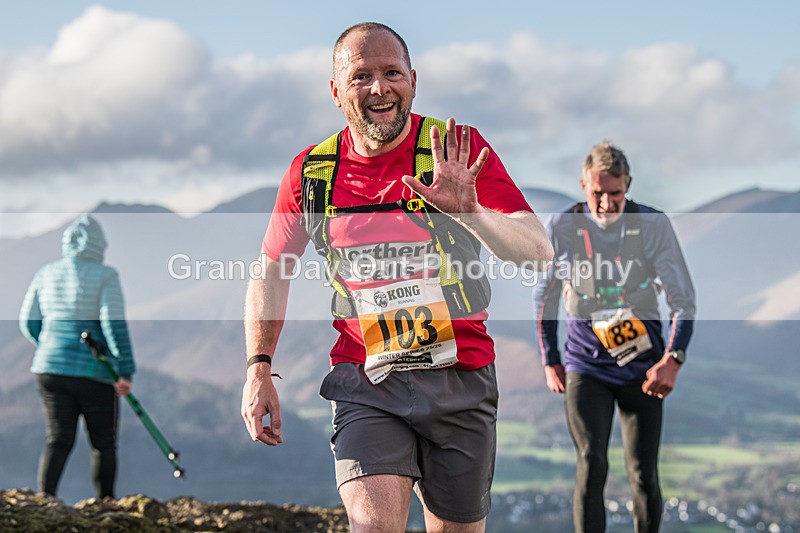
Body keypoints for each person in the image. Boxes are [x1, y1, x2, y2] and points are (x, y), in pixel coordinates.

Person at [241, 22, 554, 532]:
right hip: (366, 379)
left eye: (392, 73)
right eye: (361, 76)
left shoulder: (455, 151)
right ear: (335, 90)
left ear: (414, 79)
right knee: (371, 526)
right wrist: (258, 367)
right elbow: (271, 270)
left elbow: (538, 251)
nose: (379, 88)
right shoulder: (311, 173)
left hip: (461, 376)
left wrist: (473, 214)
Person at [533, 141, 696, 533]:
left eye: (615, 194)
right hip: (585, 365)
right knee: (592, 460)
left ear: (629, 186)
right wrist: (550, 358)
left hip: (644, 368)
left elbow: (683, 301)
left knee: (642, 472)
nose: (606, 203)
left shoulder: (652, 225)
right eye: (596, 194)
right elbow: (545, 296)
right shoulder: (564, 226)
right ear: (583, 185)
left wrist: (673, 359)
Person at [19, 214, 136, 500]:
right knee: (103, 443)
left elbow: (28, 321)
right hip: (94, 370)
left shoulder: (45, 273)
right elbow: (113, 324)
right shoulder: (106, 275)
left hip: (49, 369)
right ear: (99, 245)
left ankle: (45, 499)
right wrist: (124, 370)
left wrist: (48, 344)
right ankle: (105, 502)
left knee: (58, 439)